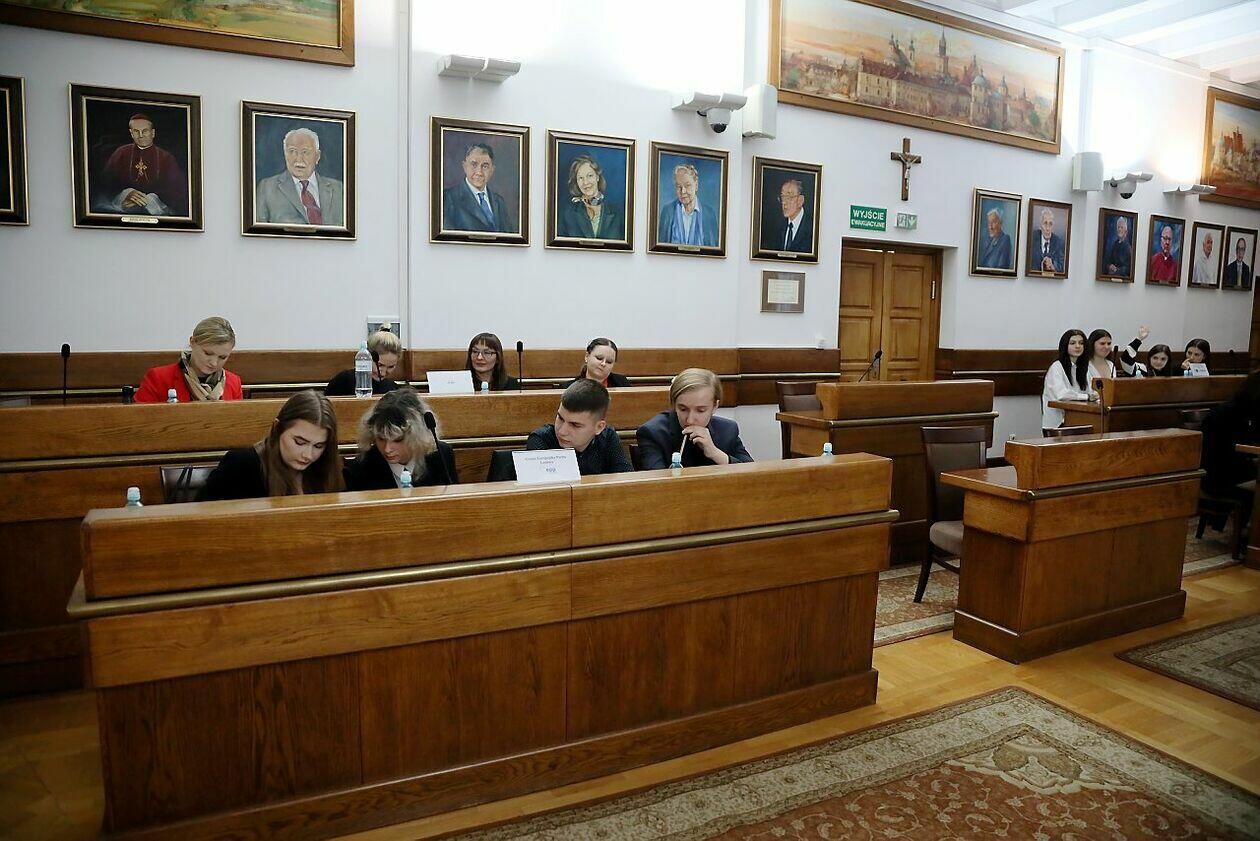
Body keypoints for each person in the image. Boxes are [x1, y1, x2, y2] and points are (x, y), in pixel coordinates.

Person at [197, 390, 344, 500]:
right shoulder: (241, 466)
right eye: (299, 442)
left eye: (318, 446)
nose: (308, 455)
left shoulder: (327, 467)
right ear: (277, 428)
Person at [343, 388, 457, 490]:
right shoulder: (359, 470)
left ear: (417, 436)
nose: (387, 449)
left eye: (398, 440)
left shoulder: (441, 455)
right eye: (381, 439)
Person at [637, 368, 753, 468]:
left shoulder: (727, 430)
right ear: (673, 405)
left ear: (715, 406)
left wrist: (715, 453)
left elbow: (752, 473)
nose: (690, 420)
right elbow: (656, 483)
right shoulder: (653, 433)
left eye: (700, 410)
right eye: (683, 409)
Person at [526, 380, 632, 475]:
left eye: (575, 425)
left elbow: (627, 482)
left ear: (599, 427)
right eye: (560, 418)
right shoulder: (541, 439)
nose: (562, 431)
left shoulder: (608, 438)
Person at [96, 112, 188, 216]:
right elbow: (105, 183)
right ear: (131, 133)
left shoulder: (166, 158)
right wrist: (126, 194)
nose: (140, 135)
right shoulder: (121, 153)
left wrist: (150, 199)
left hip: (156, 208)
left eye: (145, 131)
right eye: (136, 131)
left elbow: (176, 191)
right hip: (123, 207)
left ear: (153, 133)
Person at [136, 316, 243, 402]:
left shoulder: (234, 382)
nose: (214, 363)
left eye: (222, 357)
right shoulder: (158, 378)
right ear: (192, 342)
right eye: (208, 353)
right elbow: (139, 418)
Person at [255, 127, 345, 226]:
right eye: (292, 151)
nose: (298, 159)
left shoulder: (339, 189)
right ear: (285, 154)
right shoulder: (267, 188)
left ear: (317, 156)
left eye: (305, 152)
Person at [1200, 371, 1260, 495]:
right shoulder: (1228, 413)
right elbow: (1225, 456)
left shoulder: (1250, 410)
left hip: (1242, 470)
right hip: (1221, 477)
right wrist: (1253, 462)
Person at [441, 142, 516, 233]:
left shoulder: (499, 202)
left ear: (492, 170)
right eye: (474, 164)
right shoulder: (447, 199)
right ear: (465, 167)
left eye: (485, 166)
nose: (479, 172)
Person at [556, 154, 624, 240]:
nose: (585, 182)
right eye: (580, 178)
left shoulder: (617, 213)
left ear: (597, 177)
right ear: (576, 182)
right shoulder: (567, 213)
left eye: (590, 175)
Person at [326, 325, 402, 396]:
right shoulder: (344, 381)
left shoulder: (392, 389)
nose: (383, 373)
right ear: (367, 357)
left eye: (391, 367)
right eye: (379, 365)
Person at [1042, 328, 1090, 433]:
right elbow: (1061, 395)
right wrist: (1086, 397)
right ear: (1065, 346)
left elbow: (1091, 390)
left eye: (1081, 343)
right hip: (1057, 424)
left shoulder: (1084, 368)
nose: (1078, 346)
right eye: (1072, 343)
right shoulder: (1057, 367)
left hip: (1079, 420)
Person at [657, 163, 718, 247]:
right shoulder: (667, 212)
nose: (683, 191)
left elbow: (714, 249)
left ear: (696, 185)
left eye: (687, 185)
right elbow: (660, 248)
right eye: (679, 186)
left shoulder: (709, 214)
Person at [765, 178, 813, 253]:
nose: (784, 202)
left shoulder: (812, 227)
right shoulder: (778, 227)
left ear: (800, 200)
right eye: (782, 197)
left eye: (789, 197)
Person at [563, 337, 631, 389]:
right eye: (599, 358)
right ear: (587, 356)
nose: (603, 364)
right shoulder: (567, 388)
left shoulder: (622, 383)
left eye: (609, 362)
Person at [1029, 207, 1064, 274]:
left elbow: (1062, 266)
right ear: (1040, 225)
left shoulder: (1058, 241)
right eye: (1045, 223)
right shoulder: (1032, 237)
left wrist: (1052, 265)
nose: (1048, 228)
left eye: (1050, 224)